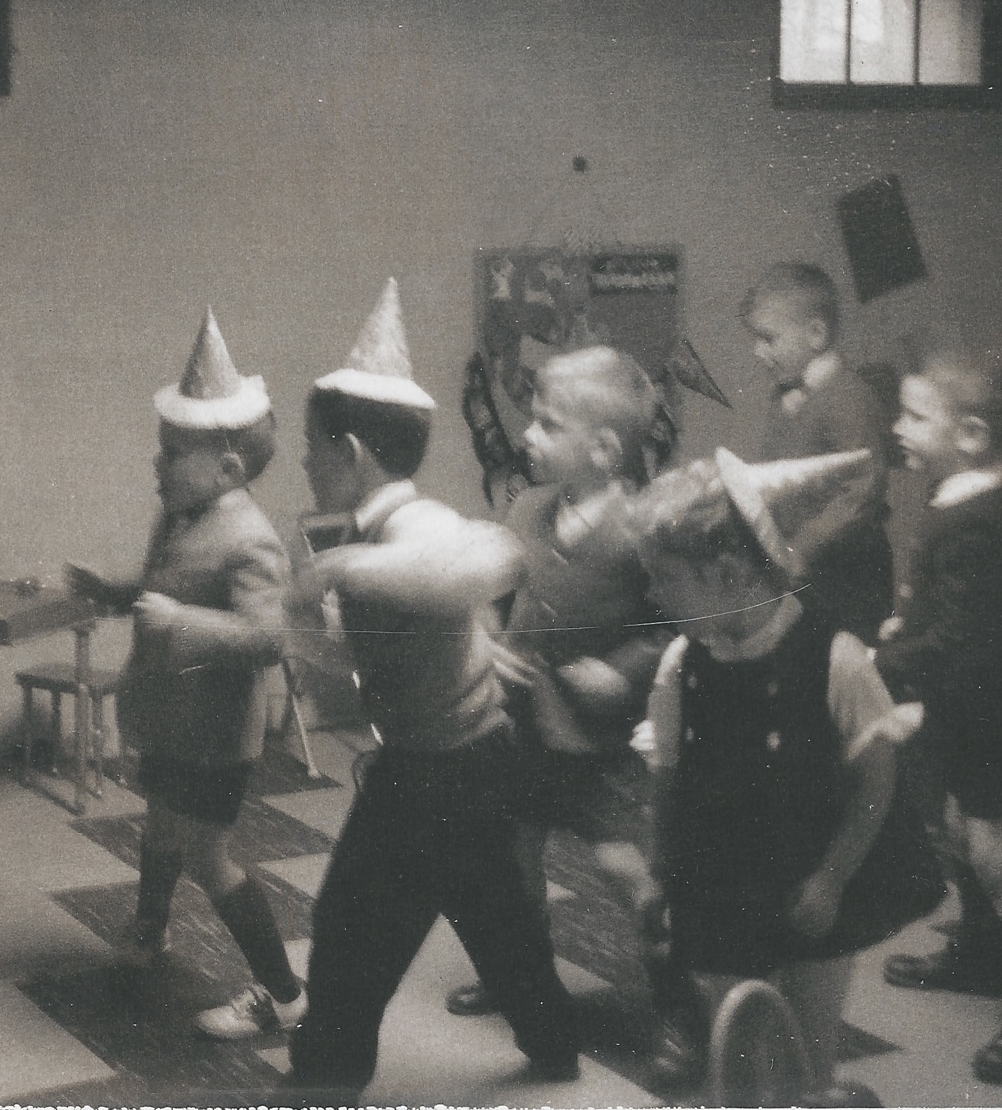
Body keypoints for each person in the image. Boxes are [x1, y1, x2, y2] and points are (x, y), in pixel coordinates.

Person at [280, 279, 580, 1103]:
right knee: (498, 922)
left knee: (347, 942)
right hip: (459, 764)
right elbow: (371, 644)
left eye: (314, 447)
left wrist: (337, 569)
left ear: (352, 452)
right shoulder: (380, 532)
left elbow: (487, 559)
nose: (306, 462)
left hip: (441, 775)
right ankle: (555, 1049)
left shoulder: (413, 528)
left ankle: (320, 1090)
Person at [633, 448, 939, 1107]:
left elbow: (875, 781)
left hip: (813, 877)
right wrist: (660, 871)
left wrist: (832, 877)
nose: (651, 595)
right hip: (720, 879)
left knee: (807, 1038)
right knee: (736, 1037)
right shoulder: (682, 665)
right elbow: (667, 775)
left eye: (663, 578)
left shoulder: (838, 660)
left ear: (728, 572)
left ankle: (817, 1095)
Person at [65, 309, 303, 1040]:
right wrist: (106, 589)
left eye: (172, 452)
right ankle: (150, 924)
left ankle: (284, 994)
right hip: (169, 717)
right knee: (160, 830)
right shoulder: (177, 516)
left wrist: (181, 624)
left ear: (228, 469)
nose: (157, 463)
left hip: (214, 735)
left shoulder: (251, 539)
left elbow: (268, 636)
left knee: (207, 853)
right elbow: (155, 585)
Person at [440, 346, 673, 1021]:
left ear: (602, 448)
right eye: (530, 420)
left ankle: (677, 1004)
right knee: (510, 868)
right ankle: (521, 976)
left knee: (628, 871)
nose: (528, 437)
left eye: (546, 424)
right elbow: (489, 594)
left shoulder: (644, 531)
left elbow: (671, 628)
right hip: (516, 731)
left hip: (601, 746)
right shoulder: (526, 510)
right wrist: (485, 639)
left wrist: (621, 671)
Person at [873, 352, 1002, 1085]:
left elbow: (966, 638)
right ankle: (982, 956)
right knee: (958, 827)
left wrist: (885, 660)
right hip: (971, 701)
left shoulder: (984, 519)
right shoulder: (960, 490)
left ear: (974, 434)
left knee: (995, 851)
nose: (899, 426)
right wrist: (909, 624)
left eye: (916, 416)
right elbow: (949, 608)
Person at [741, 263, 895, 642]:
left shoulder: (849, 397)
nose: (757, 351)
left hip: (847, 572)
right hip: (800, 574)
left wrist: (800, 549)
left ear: (815, 334)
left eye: (768, 338)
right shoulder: (783, 398)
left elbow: (862, 490)